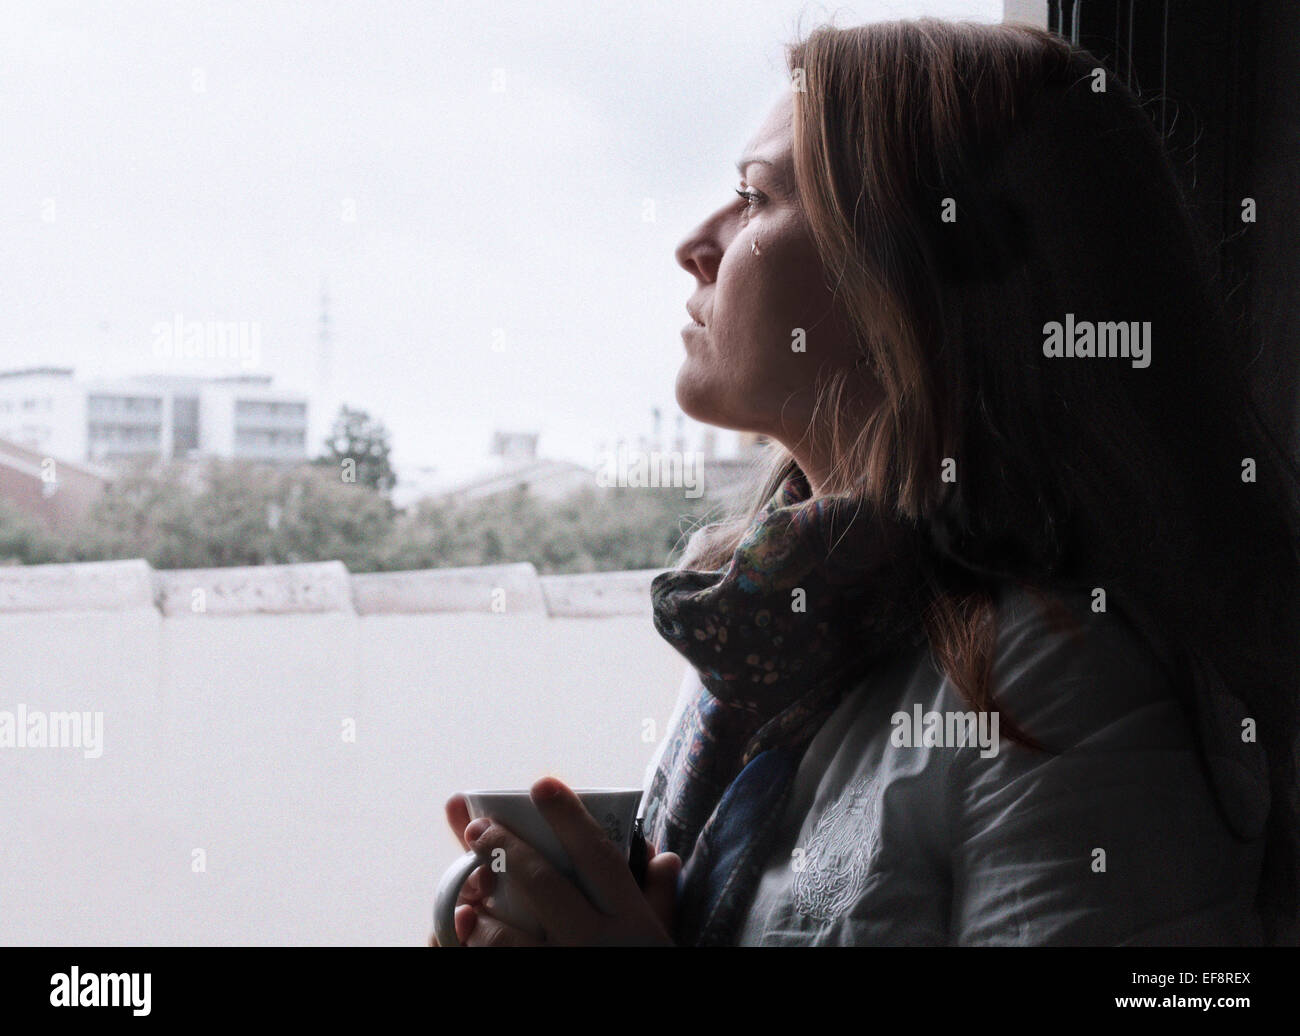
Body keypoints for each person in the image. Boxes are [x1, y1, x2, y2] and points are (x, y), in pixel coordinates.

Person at [432, 17, 1300, 947]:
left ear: (916, 269)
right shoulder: (778, 631)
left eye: (754, 198)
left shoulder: (1061, 688)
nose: (694, 242)